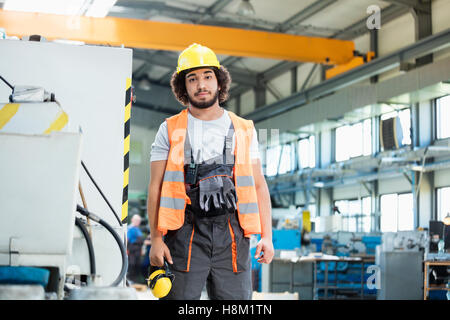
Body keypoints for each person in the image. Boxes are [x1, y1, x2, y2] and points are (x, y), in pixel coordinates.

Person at [147, 43, 274, 300]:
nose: (201, 84)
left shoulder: (243, 128)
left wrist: (268, 237)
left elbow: (259, 185)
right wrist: (156, 239)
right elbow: (156, 187)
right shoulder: (170, 129)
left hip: (233, 237)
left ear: (219, 82)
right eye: (192, 79)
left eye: (207, 76)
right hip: (184, 235)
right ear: (184, 86)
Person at [127, 214, 144, 283]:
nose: (138, 222)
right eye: (136, 220)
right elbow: (127, 239)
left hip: (138, 251)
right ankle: (129, 280)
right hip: (132, 250)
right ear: (132, 220)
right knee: (131, 265)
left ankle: (134, 281)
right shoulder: (130, 228)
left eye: (139, 221)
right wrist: (125, 249)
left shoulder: (137, 229)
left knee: (137, 266)